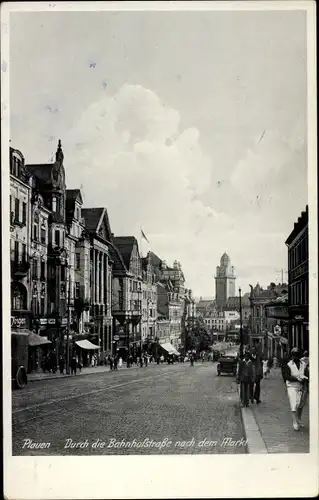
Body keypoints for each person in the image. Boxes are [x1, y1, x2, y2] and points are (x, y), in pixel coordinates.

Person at [283, 347, 308, 430]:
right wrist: (297, 378)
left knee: (300, 404)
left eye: (297, 355)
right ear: (292, 356)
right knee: (294, 403)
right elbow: (287, 376)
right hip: (292, 386)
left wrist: (305, 378)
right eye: (293, 355)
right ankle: (294, 422)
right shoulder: (289, 365)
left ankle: (299, 420)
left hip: (301, 386)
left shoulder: (303, 364)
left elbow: (305, 373)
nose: (295, 357)